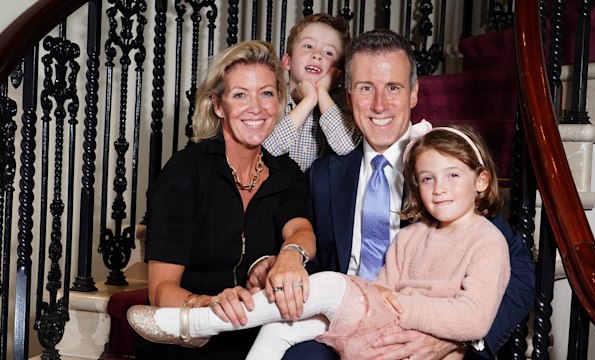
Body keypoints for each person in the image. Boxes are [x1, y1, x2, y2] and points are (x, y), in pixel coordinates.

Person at [127, 121, 511, 360]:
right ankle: (205, 323)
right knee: (278, 329)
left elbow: (475, 319)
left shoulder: (487, 241)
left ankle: (202, 322)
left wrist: (402, 309)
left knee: (330, 283)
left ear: (481, 181)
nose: (439, 189)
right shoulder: (412, 236)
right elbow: (382, 291)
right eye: (427, 178)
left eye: (453, 176)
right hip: (381, 327)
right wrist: (385, 304)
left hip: (409, 332)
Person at [279, 29, 536, 360]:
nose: (380, 104)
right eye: (366, 88)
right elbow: (313, 261)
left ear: (414, 93)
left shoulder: (447, 174)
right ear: (348, 95)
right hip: (346, 323)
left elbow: (520, 270)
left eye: (394, 88)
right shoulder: (325, 174)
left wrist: (455, 341)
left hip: (426, 331)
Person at [135, 40, 316, 360]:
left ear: (278, 102)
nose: (256, 107)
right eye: (240, 95)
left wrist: (291, 254)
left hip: (259, 334)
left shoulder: (286, 173)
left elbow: (301, 228)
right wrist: (208, 304)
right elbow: (161, 290)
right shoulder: (186, 172)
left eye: (267, 93)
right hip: (192, 334)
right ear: (218, 105)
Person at [262, 13, 361, 172]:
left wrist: (321, 92)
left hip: (322, 195)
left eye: (329, 53)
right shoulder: (273, 98)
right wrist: (309, 100)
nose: (317, 55)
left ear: (338, 71)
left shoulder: (343, 103)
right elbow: (266, 151)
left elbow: (345, 146)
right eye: (308, 46)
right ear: (287, 61)